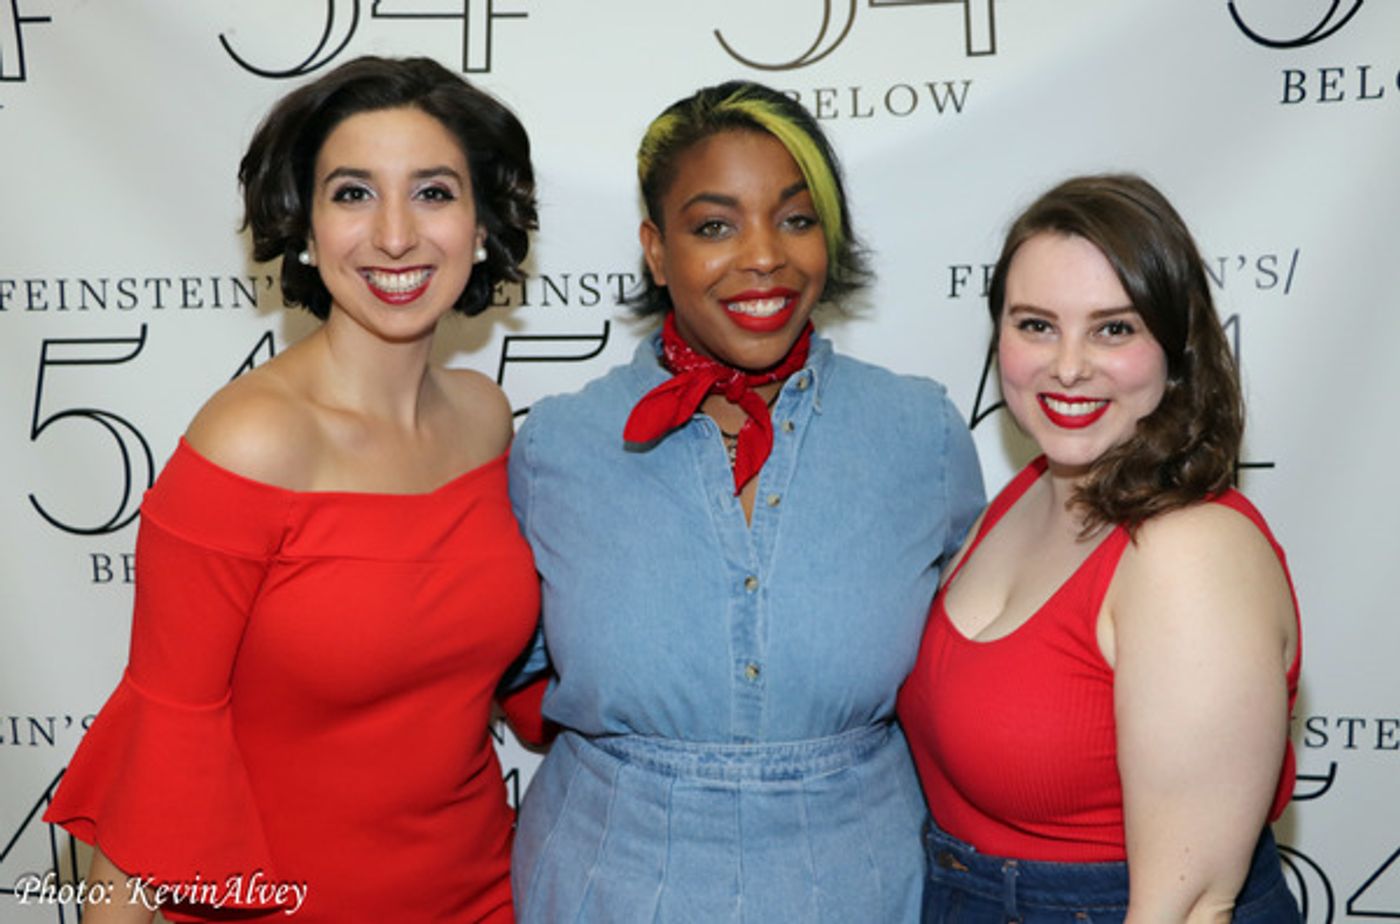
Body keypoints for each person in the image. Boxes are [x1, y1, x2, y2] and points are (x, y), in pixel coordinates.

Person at [44, 55, 543, 923]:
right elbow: (158, 746)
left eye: (433, 192)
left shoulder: (485, 417)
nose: (395, 235)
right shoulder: (252, 442)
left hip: (484, 898)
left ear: (482, 225)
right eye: (353, 193)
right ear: (304, 227)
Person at [506, 80, 985, 922]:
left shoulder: (921, 435)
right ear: (657, 251)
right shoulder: (556, 447)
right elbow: (502, 672)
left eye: (796, 219)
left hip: (865, 891)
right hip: (604, 887)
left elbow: (979, 677)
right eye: (715, 225)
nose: (764, 255)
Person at [898, 174, 1302, 923]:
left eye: (1113, 328)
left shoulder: (1188, 554)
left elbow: (1188, 910)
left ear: (1176, 348)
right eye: (1036, 325)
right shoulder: (1024, 495)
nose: (1069, 365)